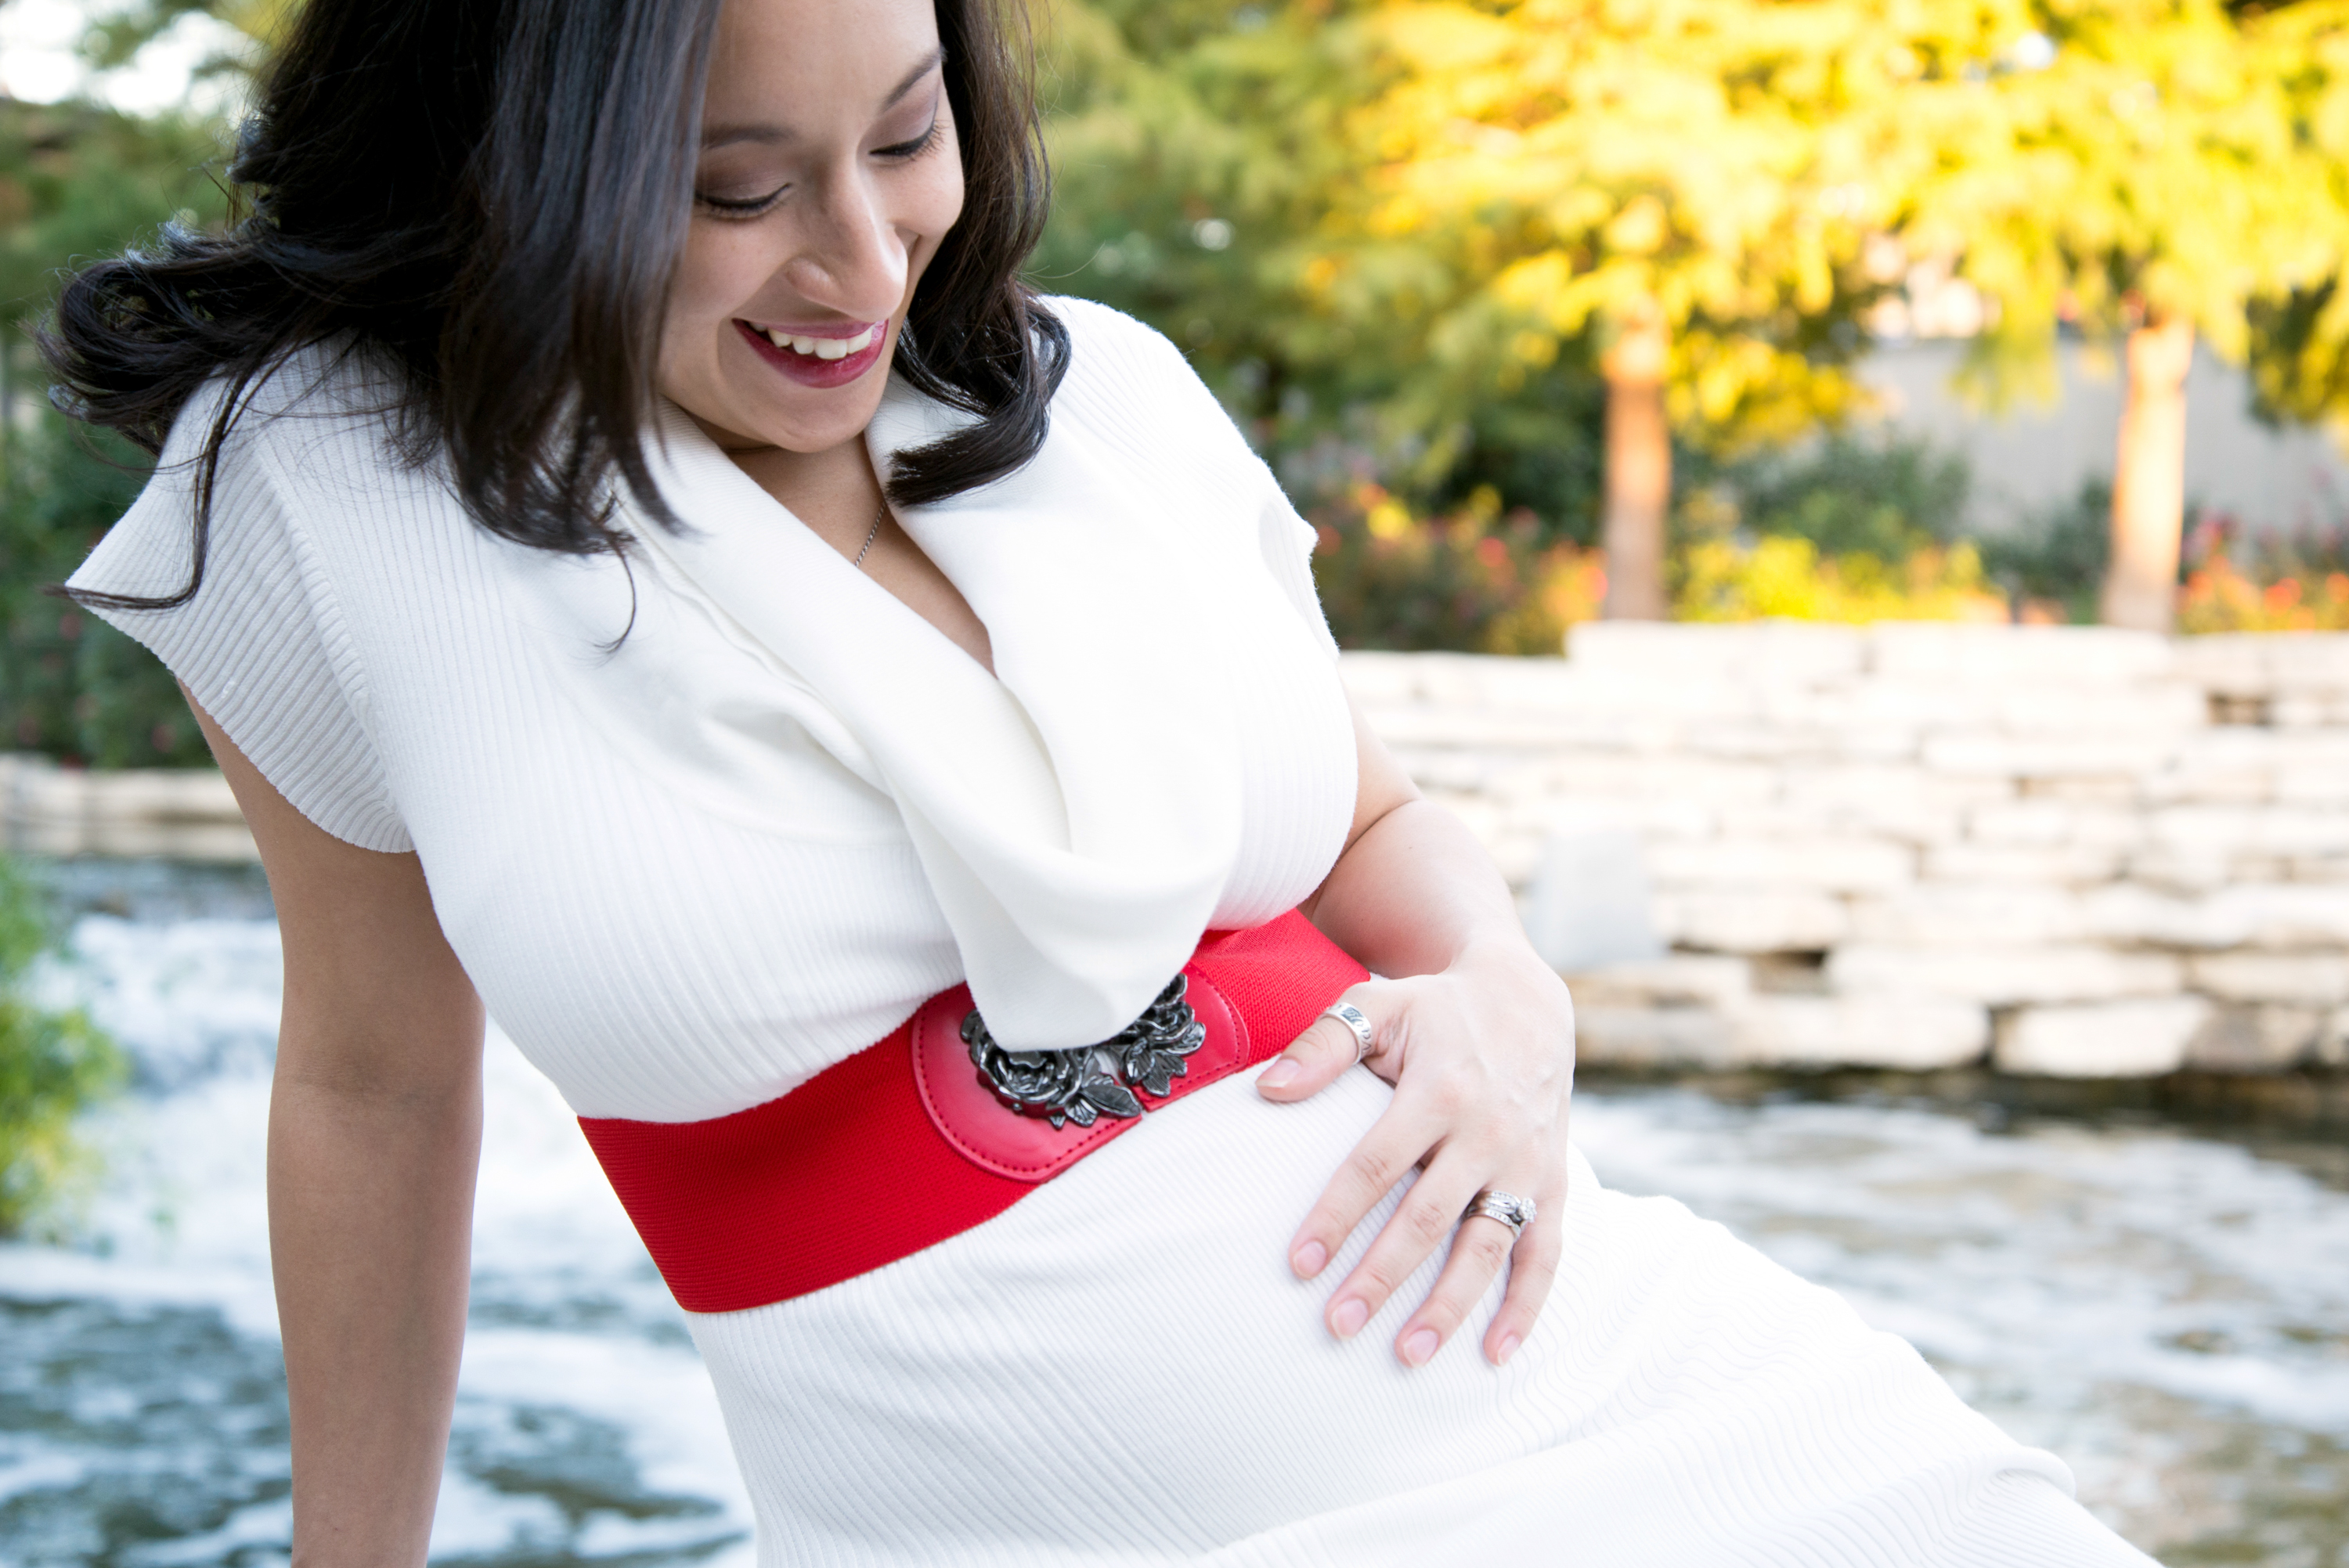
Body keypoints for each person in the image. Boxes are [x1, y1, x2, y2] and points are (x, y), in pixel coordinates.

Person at [47, 0, 2158, 1562]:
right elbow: (373, 1082)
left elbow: (1376, 832)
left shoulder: (1104, 402)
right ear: (517, 167)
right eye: (737, 190)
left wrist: (1514, 1000)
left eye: (908, 137)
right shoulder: (329, 489)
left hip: (1669, 1409)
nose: (864, 259)